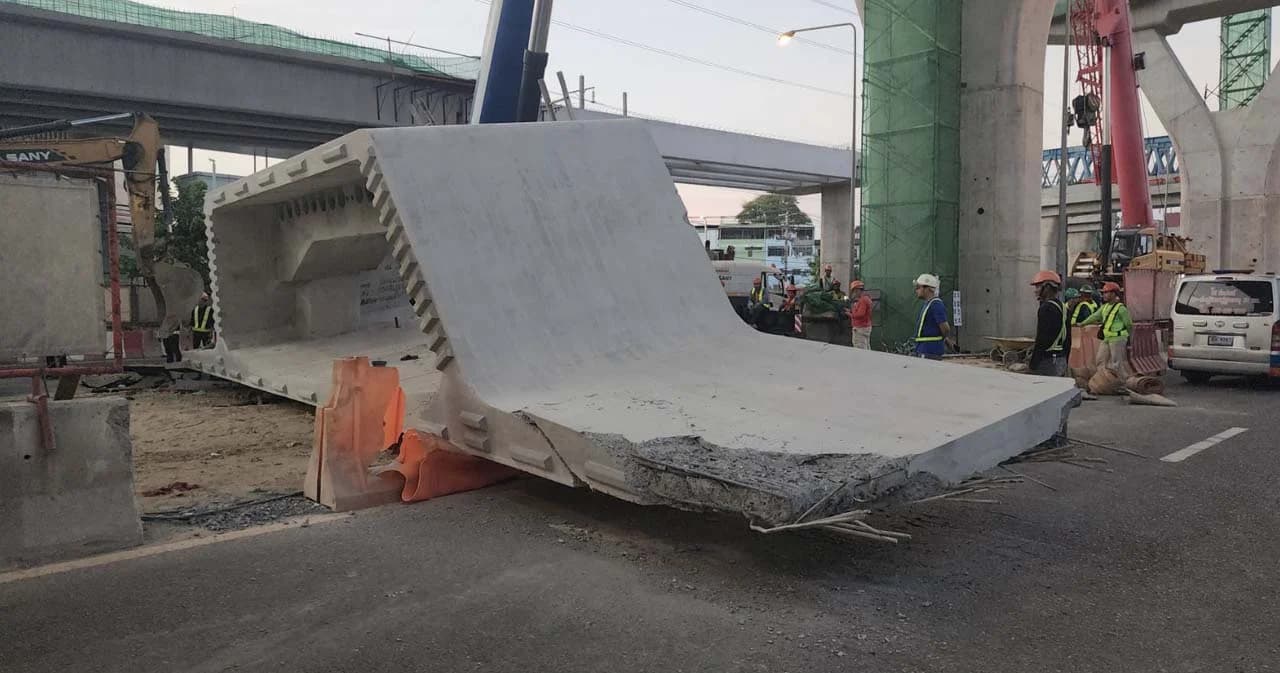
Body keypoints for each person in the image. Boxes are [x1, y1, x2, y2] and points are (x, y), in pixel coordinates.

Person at [1079, 281, 1132, 376]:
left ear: (1113, 293)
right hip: (1107, 338)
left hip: (1118, 339)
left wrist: (1128, 338)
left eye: (1106, 292)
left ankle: (1120, 383)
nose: (1103, 295)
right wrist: (1082, 324)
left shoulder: (1121, 308)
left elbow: (1128, 324)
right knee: (1100, 360)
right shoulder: (1105, 307)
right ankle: (1103, 380)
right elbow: (1095, 316)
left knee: (1116, 363)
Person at [1028, 270, 1070, 377]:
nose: (1035, 291)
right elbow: (1068, 339)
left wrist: (1033, 364)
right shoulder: (1064, 308)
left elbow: (1042, 339)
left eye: (1038, 287)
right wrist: (1066, 359)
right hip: (1061, 358)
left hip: (1047, 361)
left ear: (1047, 287)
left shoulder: (1045, 308)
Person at [913, 273, 950, 360]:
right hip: (923, 348)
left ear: (928, 288)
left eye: (918, 287)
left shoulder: (936, 304)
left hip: (930, 351)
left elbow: (945, 328)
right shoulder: (928, 304)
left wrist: (941, 340)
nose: (916, 290)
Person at [847, 280, 873, 349]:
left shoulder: (863, 300)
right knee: (866, 348)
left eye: (853, 291)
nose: (853, 293)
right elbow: (861, 311)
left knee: (860, 350)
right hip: (865, 327)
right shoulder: (866, 299)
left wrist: (850, 314)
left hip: (860, 329)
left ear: (857, 290)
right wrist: (851, 311)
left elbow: (860, 314)